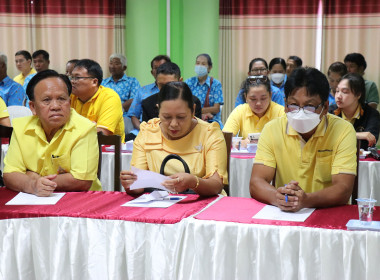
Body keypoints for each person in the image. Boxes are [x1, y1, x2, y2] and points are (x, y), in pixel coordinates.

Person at [250, 67, 357, 212]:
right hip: (287, 215)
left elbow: (343, 189)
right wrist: (277, 197)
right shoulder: (272, 129)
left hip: (328, 214)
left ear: (325, 107)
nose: (300, 113)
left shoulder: (343, 130)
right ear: (285, 105)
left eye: (310, 106)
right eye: (293, 105)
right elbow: (257, 182)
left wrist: (306, 200)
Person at [3, 70, 101, 196]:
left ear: (69, 103)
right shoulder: (21, 127)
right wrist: (32, 185)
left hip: (79, 200)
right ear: (33, 107)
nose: (55, 106)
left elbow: (81, 180)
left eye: (61, 99)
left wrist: (34, 177)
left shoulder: (84, 128)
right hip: (34, 200)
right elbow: (9, 175)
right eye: (47, 100)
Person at [120, 81, 227, 196]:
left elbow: (216, 185)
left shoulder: (209, 133)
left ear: (193, 110)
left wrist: (193, 182)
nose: (174, 124)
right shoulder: (148, 132)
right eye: (167, 117)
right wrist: (130, 184)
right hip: (159, 205)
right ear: (158, 110)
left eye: (181, 117)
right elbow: (138, 187)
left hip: (203, 204)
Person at [69, 59, 125, 141]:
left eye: (77, 77)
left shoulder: (109, 97)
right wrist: (90, 126)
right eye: (71, 77)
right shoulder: (70, 97)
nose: (72, 81)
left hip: (107, 150)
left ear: (94, 82)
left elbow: (102, 134)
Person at [224, 76, 284, 144]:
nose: (258, 103)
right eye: (253, 99)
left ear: (270, 95)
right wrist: (243, 143)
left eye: (263, 98)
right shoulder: (240, 111)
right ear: (246, 97)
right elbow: (225, 139)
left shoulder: (280, 112)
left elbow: (289, 140)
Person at [329, 73, 380, 150]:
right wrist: (358, 135)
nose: (338, 96)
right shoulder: (329, 111)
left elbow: (369, 142)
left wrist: (339, 137)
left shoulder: (371, 114)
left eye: (345, 92)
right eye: (337, 91)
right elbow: (326, 138)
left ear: (358, 95)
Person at [126, 55, 171, 141]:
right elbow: (133, 115)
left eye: (162, 67)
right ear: (152, 72)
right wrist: (142, 128)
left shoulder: (178, 91)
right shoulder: (142, 91)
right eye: (156, 68)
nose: (159, 70)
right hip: (144, 130)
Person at [102, 54, 141, 134]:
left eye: (116, 63)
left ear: (124, 67)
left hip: (125, 116)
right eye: (111, 63)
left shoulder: (132, 81)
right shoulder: (103, 83)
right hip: (106, 115)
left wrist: (116, 109)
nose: (112, 66)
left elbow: (134, 100)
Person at [185, 54, 224, 128]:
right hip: (192, 120)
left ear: (209, 68)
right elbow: (185, 106)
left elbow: (216, 109)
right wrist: (202, 113)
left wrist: (197, 111)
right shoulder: (189, 82)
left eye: (203, 64)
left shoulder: (215, 84)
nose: (199, 66)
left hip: (211, 121)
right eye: (197, 63)